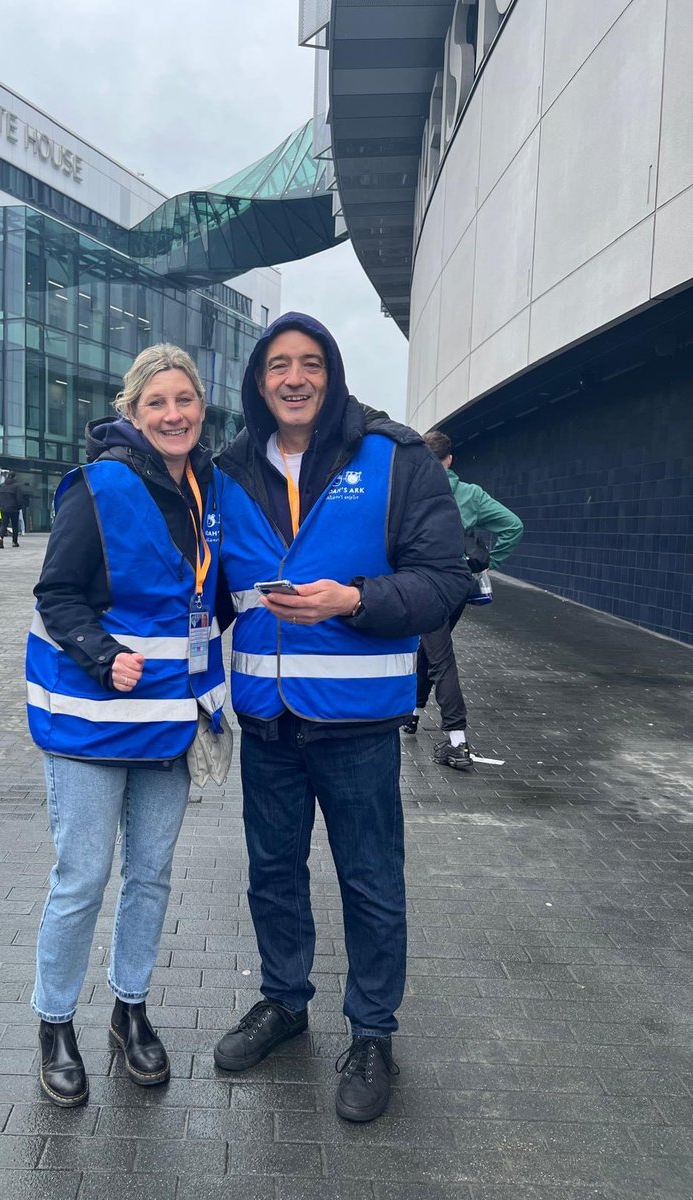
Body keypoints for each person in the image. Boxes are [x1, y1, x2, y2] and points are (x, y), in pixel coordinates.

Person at [213, 313, 470, 1123]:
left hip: (358, 727)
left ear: (333, 373)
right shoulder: (226, 471)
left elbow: (444, 582)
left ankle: (371, 1033)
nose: (295, 377)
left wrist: (354, 599)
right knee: (273, 879)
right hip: (268, 725)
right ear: (259, 381)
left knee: (370, 884)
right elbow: (202, 587)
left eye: (310, 363)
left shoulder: (396, 459)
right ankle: (285, 1004)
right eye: (278, 365)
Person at [25, 344, 226, 1107]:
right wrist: (102, 654)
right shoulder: (99, 485)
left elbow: (206, 598)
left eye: (185, 401)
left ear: (200, 408)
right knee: (81, 878)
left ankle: (130, 1011)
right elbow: (58, 593)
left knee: (150, 875)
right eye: (157, 403)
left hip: (169, 723)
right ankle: (55, 1023)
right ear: (131, 411)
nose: (173, 415)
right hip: (92, 723)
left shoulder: (206, 489)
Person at [403, 430, 524, 770]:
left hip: (424, 584)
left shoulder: (412, 489)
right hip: (456, 586)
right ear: (450, 459)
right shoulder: (470, 495)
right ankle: (412, 715)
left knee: (439, 654)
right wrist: (484, 566)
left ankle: (457, 740)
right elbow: (513, 526)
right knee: (430, 648)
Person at [0, 471, 25, 547]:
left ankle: (0, 537)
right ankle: (14, 542)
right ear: (15, 477)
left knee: (4, 524)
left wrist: (0, 506)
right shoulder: (17, 486)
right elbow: (19, 499)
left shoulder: (1, 486)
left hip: (3, 509)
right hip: (14, 509)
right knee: (15, 525)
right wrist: (19, 507)